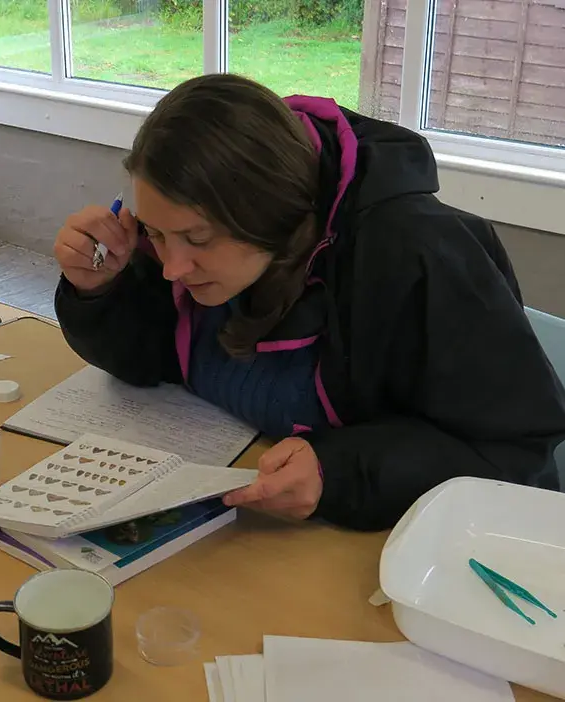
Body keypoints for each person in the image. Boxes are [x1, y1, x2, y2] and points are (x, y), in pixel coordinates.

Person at [52, 74, 565, 531]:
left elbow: (515, 458)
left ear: (274, 215)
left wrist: (336, 472)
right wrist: (99, 292)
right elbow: (154, 358)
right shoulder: (200, 246)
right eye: (156, 233)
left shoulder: (420, 256)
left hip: (400, 552)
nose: (172, 268)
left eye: (199, 239)